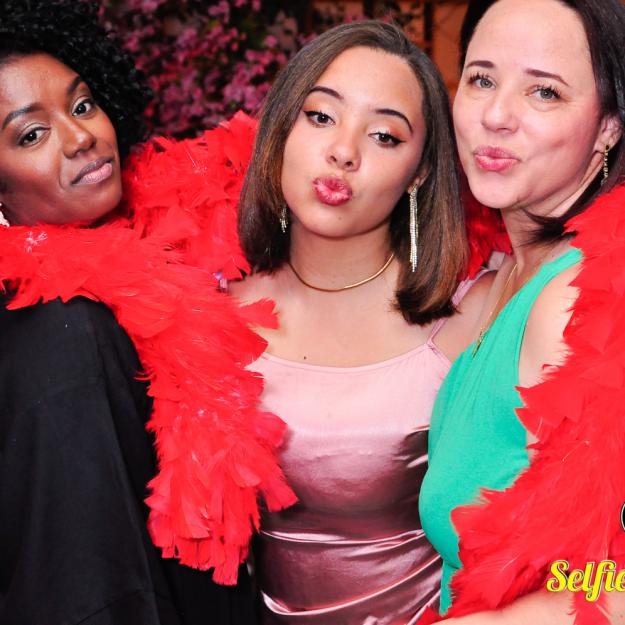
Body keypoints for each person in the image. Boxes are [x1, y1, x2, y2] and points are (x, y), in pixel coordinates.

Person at [0, 2, 289, 623]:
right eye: (31, 134)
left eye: (82, 105)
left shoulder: (147, 262)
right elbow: (91, 589)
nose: (81, 136)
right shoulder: (63, 331)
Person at [230, 20, 494, 625]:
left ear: (420, 171)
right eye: (321, 116)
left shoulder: (475, 313)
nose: (344, 151)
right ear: (282, 127)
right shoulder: (203, 315)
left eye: (384, 135)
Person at [418, 0, 625, 623]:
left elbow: (609, 581)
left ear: (609, 128)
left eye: (544, 92)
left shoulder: (578, 300)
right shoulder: (507, 274)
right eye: (481, 79)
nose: (495, 115)